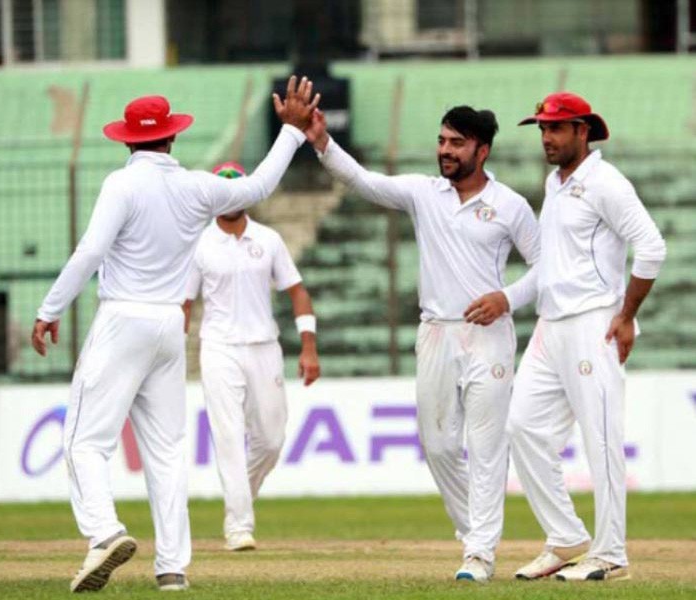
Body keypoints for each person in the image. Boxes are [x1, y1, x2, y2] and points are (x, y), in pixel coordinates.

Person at [31, 77, 319, 592]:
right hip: (170, 325)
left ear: (126, 140)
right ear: (171, 138)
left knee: (83, 442)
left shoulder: (122, 184)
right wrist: (292, 133)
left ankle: (103, 533)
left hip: (123, 318)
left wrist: (51, 308)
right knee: (165, 451)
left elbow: (91, 253)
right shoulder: (196, 186)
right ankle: (172, 568)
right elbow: (256, 188)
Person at [305, 106, 540, 582]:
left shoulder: (510, 205)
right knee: (437, 445)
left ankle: (479, 553)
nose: (445, 151)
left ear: (482, 149)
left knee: (487, 446)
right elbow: (363, 180)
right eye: (442, 141)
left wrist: (506, 298)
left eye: (456, 143)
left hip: (488, 335)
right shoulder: (423, 193)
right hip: (435, 331)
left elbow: (546, 267)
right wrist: (321, 141)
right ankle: (472, 532)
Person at [508, 92, 666, 582]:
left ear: (582, 130)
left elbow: (652, 247)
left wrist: (625, 315)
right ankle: (566, 537)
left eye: (555, 129)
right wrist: (508, 299)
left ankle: (612, 552)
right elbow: (552, 264)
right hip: (551, 325)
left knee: (600, 439)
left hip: (593, 322)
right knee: (522, 427)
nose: (546, 138)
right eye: (541, 129)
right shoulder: (554, 184)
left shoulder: (606, 182)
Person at [183, 161, 321, 552]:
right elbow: (184, 303)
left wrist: (308, 345)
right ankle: (239, 525)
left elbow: (296, 291)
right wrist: (170, 352)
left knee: (272, 440)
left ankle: (239, 498)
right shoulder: (200, 244)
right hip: (219, 347)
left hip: (264, 346)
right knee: (227, 435)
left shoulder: (269, 239)